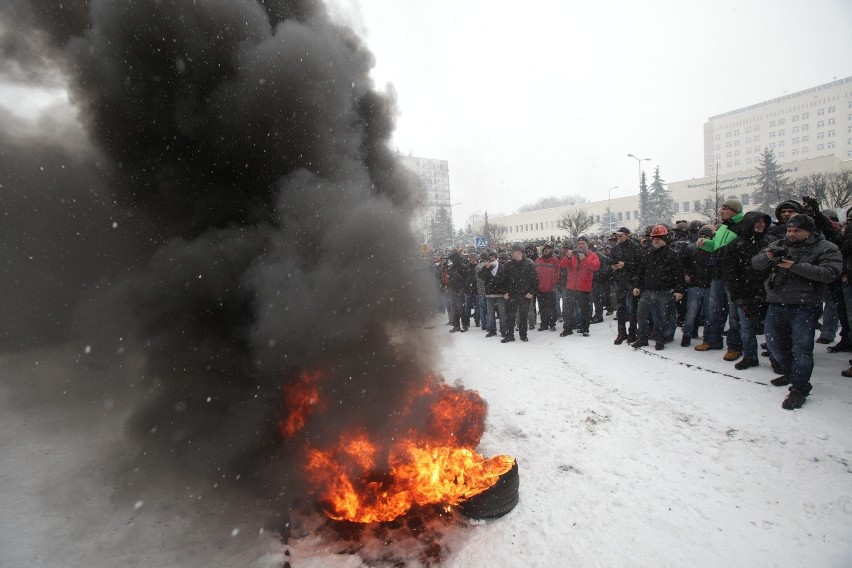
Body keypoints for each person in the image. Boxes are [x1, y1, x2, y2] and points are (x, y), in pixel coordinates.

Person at [752, 214, 842, 410]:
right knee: (775, 346)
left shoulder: (825, 247)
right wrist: (768, 256)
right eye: (789, 230)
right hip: (776, 302)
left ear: (809, 232)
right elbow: (756, 263)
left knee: (801, 349)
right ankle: (792, 373)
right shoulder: (779, 244)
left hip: (806, 304)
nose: (791, 234)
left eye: (796, 231)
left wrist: (795, 266)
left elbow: (830, 273)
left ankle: (800, 388)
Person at [695, 199, 745, 361]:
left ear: (734, 210)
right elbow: (716, 246)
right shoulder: (723, 227)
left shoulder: (743, 226)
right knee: (714, 310)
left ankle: (735, 346)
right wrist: (706, 243)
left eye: (725, 208)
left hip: (733, 275)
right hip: (717, 274)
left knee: (733, 313)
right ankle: (712, 340)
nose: (721, 211)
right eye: (721, 208)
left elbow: (738, 250)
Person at [724, 211, 772, 370]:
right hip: (746, 292)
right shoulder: (735, 245)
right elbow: (731, 273)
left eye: (763, 222)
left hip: (770, 292)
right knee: (746, 326)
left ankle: (776, 358)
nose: (761, 225)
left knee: (772, 328)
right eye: (757, 222)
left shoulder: (769, 243)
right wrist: (737, 297)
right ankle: (750, 356)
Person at [631, 225, 685, 350]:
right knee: (641, 315)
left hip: (664, 291)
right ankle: (642, 338)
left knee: (660, 318)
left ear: (665, 238)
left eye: (659, 238)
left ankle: (660, 340)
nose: (656, 240)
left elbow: (679, 274)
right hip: (648, 290)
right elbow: (641, 272)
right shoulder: (647, 254)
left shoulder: (672, 255)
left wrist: (679, 290)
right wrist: (637, 286)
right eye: (654, 238)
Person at [680, 225, 715, 347]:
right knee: (691, 313)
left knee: (709, 314)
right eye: (701, 236)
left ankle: (707, 338)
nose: (703, 239)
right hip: (695, 285)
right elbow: (683, 263)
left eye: (706, 237)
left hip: (710, 285)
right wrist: (686, 274)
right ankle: (687, 335)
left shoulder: (713, 249)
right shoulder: (690, 248)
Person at [560, 236, 600, 337]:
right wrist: (567, 257)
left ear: (587, 245)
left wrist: (585, 259)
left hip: (584, 287)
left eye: (583, 243)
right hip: (571, 287)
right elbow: (562, 265)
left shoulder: (592, 255)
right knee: (568, 310)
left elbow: (596, 266)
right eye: (579, 244)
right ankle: (567, 328)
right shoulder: (573, 255)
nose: (580, 245)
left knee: (585, 310)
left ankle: (585, 328)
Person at [610, 227, 642, 344]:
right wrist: (613, 266)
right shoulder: (616, 248)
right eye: (618, 236)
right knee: (620, 308)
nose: (619, 238)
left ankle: (632, 332)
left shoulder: (635, 247)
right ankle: (621, 332)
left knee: (632, 308)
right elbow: (611, 261)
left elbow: (639, 264)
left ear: (627, 235)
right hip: (619, 280)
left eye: (621, 235)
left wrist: (626, 265)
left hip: (631, 281)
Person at [501, 243, 538, 343]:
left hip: (524, 295)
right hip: (511, 295)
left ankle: (523, 335)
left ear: (519, 252)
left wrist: (531, 292)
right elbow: (504, 280)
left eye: (512, 251)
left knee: (523, 316)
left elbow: (535, 280)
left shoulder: (528, 265)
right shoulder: (509, 265)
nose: (511, 253)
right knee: (510, 316)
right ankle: (509, 335)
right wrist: (504, 292)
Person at [479, 251, 508, 338]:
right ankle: (492, 330)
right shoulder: (486, 267)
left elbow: (506, 280)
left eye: (493, 257)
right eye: (490, 257)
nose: (491, 258)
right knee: (490, 314)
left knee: (502, 314)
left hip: (500, 293)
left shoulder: (502, 266)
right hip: (490, 293)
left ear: (496, 257)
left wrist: (505, 291)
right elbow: (481, 276)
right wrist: (486, 268)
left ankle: (503, 330)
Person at [534, 243, 560, 331]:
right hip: (540, 289)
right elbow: (535, 274)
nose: (546, 250)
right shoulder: (537, 260)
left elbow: (557, 274)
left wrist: (554, 285)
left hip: (550, 289)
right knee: (542, 308)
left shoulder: (555, 260)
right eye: (545, 248)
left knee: (551, 308)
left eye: (548, 249)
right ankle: (544, 324)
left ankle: (552, 324)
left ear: (551, 250)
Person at [446, 251, 470, 333]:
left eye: (452, 258)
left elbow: (465, 279)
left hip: (460, 289)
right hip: (453, 289)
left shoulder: (463, 267)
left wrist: (462, 289)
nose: (452, 260)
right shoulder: (452, 267)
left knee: (460, 308)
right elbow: (450, 277)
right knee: (453, 308)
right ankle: (456, 325)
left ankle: (465, 325)